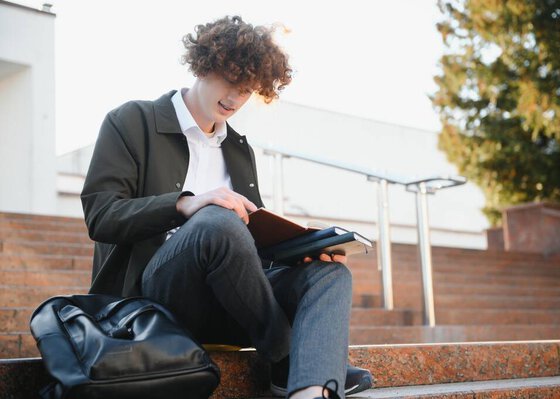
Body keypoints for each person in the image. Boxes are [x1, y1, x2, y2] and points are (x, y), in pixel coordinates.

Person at [81, 15, 372, 399]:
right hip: (154, 303)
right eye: (231, 81)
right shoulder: (132, 121)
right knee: (216, 219)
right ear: (204, 65)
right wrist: (185, 204)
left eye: (248, 90)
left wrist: (300, 253)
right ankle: (286, 357)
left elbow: (249, 245)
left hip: (231, 306)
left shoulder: (238, 149)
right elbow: (101, 215)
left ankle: (309, 387)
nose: (236, 98)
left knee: (329, 275)